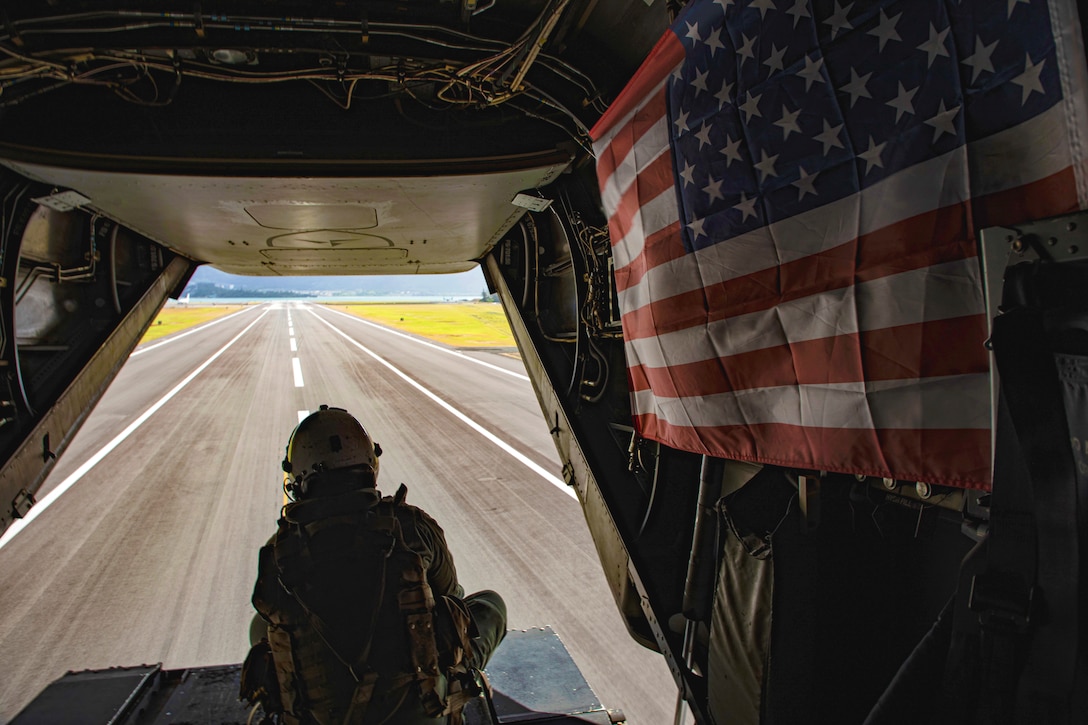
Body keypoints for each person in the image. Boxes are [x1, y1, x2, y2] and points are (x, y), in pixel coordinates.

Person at [243, 405, 507, 725]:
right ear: (369, 464)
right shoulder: (411, 526)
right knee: (489, 605)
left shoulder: (278, 554)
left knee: (260, 627)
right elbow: (452, 604)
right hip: (423, 714)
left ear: (298, 478)